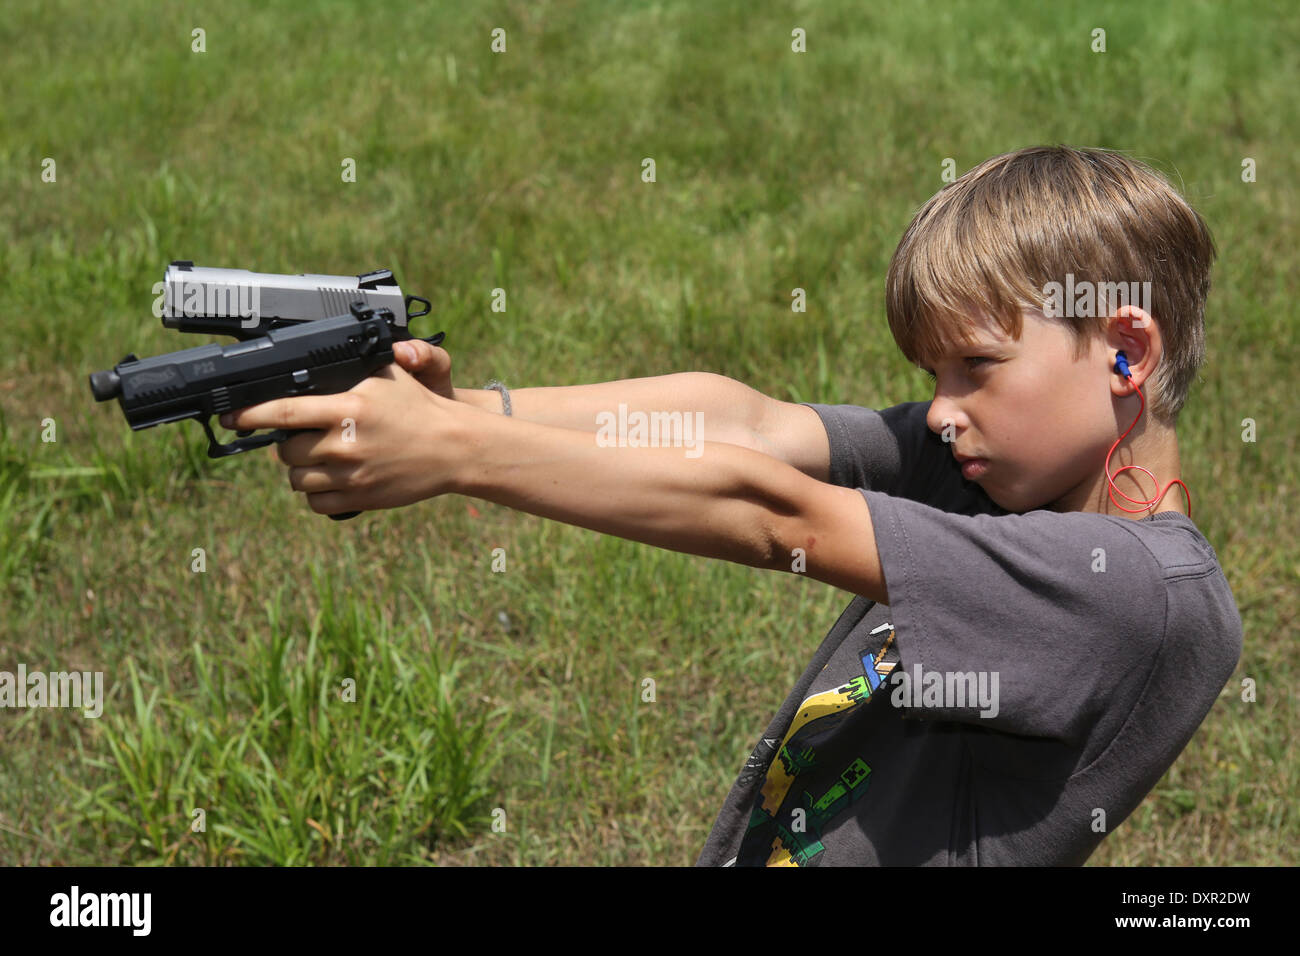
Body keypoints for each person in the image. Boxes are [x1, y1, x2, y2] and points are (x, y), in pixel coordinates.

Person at [220, 145, 1243, 865]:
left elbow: (777, 511)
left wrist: (460, 453)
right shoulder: (1003, 472)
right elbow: (747, 424)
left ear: (1124, 350)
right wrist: (479, 408)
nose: (938, 412)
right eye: (930, 374)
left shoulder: (1137, 594)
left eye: (974, 366)